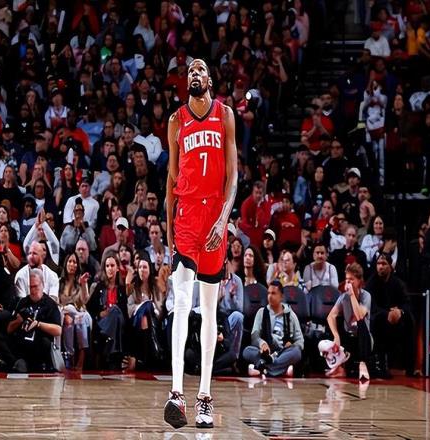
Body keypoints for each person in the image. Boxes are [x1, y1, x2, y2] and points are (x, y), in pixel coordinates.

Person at [164, 58, 238, 429]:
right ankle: (176, 392)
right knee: (181, 299)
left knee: (209, 309)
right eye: (190, 70)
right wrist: (168, 229)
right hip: (187, 216)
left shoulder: (225, 115)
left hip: (215, 217)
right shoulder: (176, 120)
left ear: (209, 78)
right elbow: (171, 178)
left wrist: (224, 220)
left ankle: (204, 396)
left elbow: (234, 175)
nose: (195, 73)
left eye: (200, 69)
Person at [0, 269, 61, 373]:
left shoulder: (50, 304)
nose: (33, 290)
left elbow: (58, 330)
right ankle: (16, 362)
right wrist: (18, 321)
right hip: (21, 344)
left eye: (35, 286)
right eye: (30, 287)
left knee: (45, 342)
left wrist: (39, 324)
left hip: (38, 344)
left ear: (43, 285)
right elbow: (9, 329)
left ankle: (31, 365)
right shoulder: (23, 302)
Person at [242, 280, 304, 377]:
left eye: (274, 293)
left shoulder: (290, 314)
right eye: (268, 293)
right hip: (266, 353)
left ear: (281, 296)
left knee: (296, 352)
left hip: (283, 352)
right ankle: (281, 369)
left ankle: (262, 368)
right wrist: (262, 343)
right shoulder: (262, 312)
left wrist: (292, 344)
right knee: (247, 351)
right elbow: (255, 336)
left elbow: (300, 341)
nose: (270, 296)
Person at [324, 263, 372, 380]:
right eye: (347, 279)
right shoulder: (343, 297)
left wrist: (352, 295)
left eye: (351, 279)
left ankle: (363, 363)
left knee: (361, 324)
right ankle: (339, 367)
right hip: (349, 338)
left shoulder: (366, 296)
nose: (348, 282)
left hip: (363, 340)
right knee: (332, 328)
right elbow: (331, 316)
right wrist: (336, 336)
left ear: (359, 281)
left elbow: (359, 316)